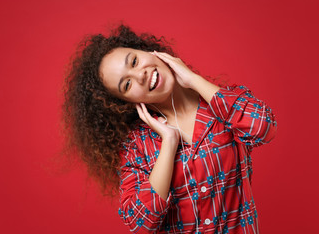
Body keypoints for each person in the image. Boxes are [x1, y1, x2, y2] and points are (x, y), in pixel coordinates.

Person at [61, 24, 277, 233]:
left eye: (134, 61)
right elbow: (141, 222)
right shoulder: (137, 145)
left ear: (149, 51)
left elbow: (263, 127)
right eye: (127, 85)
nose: (140, 75)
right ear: (126, 101)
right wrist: (169, 143)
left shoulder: (221, 104)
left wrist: (193, 79)